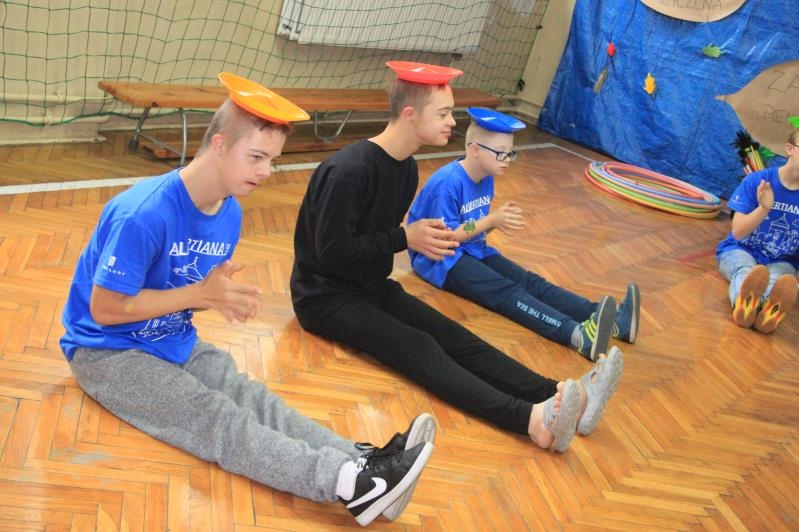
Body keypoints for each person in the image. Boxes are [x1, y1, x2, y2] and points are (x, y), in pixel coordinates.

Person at [59, 73, 435, 527]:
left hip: (170, 339)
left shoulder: (229, 212)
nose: (266, 171)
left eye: (272, 160)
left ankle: (362, 460)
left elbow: (186, 291)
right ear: (219, 145)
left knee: (252, 398)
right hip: (106, 353)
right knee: (217, 418)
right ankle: (348, 484)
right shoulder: (142, 213)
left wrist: (214, 297)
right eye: (256, 157)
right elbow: (104, 310)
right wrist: (200, 294)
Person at [290, 61, 624, 455]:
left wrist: (415, 239)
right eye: (444, 113)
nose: (453, 122)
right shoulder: (349, 171)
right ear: (410, 115)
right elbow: (330, 253)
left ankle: (555, 395)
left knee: (454, 335)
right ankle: (530, 421)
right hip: (324, 299)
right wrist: (405, 238)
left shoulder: (406, 169)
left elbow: (374, 241)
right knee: (420, 346)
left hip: (370, 286)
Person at [406, 107, 640, 360]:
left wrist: (494, 223)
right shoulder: (448, 182)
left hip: (473, 249)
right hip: (441, 260)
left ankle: (611, 321)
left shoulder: (486, 175)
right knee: (507, 292)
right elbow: (447, 237)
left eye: (510, 153)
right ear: (475, 150)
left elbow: (472, 224)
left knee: (531, 282)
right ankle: (579, 336)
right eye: (501, 153)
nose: (507, 159)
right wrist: (491, 221)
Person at [717, 129, 799, 334]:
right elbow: (738, 232)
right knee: (745, 270)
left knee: (779, 281)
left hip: (782, 259)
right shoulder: (758, 181)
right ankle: (745, 305)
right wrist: (763, 208)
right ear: (789, 149)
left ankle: (767, 314)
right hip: (740, 249)